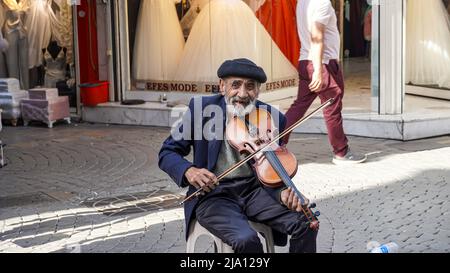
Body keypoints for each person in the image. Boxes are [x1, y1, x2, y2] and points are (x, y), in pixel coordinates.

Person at [159, 58, 318, 253]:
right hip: (213, 195)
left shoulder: (272, 118)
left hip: (255, 192)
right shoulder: (201, 110)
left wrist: (283, 192)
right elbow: (167, 152)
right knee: (246, 240)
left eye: (250, 87)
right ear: (222, 86)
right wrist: (189, 171)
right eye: (236, 85)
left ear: (258, 90)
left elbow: (273, 170)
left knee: (306, 223)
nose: (242, 94)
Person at [282, 0, 367, 165]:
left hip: (306, 60)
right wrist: (319, 70)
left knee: (299, 106)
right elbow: (317, 37)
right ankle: (341, 152)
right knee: (332, 106)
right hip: (322, 63)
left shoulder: (303, 2)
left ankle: (276, 142)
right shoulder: (321, 3)